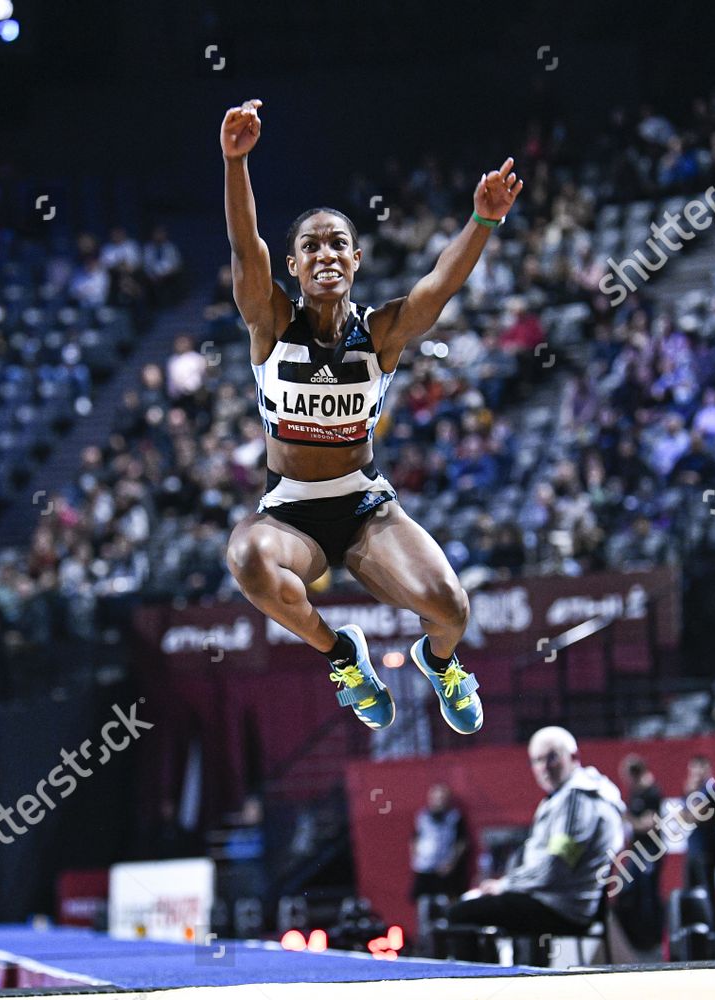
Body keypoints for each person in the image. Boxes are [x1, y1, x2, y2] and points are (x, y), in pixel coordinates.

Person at [219, 98, 521, 736]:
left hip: (363, 507)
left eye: (339, 244)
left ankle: (441, 665)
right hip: (291, 511)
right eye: (310, 247)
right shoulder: (271, 322)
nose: (326, 254)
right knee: (246, 558)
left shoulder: (380, 332)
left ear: (356, 260)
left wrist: (482, 221)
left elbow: (439, 286)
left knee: (452, 609)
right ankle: (343, 657)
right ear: (294, 266)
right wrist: (235, 163)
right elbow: (247, 250)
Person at [440, 727, 625, 964]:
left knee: (460, 913)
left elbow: (556, 866)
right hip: (562, 900)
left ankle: (479, 983)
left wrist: (505, 885)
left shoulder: (576, 800)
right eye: (537, 760)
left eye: (552, 757)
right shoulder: (582, 793)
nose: (544, 767)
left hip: (562, 907)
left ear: (573, 756)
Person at [613, 754, 664, 954]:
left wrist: (627, 819)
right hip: (636, 851)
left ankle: (653, 939)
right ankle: (636, 936)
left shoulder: (651, 793)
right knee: (628, 891)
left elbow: (649, 823)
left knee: (648, 895)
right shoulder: (635, 793)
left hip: (649, 851)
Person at [410, 783, 471, 950]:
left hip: (446, 873)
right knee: (424, 910)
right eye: (435, 798)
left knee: (448, 909)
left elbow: (462, 842)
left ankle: (450, 945)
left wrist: (451, 864)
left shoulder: (454, 817)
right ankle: (425, 945)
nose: (438, 801)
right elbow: (414, 839)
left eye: (442, 798)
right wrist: (416, 859)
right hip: (425, 871)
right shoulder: (422, 817)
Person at [680, 755, 715, 903]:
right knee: (690, 891)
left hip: (706, 848)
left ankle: (712, 918)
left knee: (707, 891)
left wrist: (690, 794)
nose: (695, 772)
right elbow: (683, 818)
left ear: (707, 769)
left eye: (698, 768)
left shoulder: (711, 790)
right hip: (693, 848)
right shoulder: (695, 792)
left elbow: (695, 816)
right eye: (692, 769)